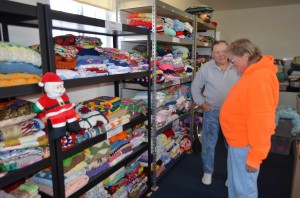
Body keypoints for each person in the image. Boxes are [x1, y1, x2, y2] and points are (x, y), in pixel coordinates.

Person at [220, 38, 279, 197]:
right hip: (240, 141)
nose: (231, 65)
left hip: (246, 144)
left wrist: (255, 156)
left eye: (232, 60)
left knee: (244, 189)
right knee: (236, 184)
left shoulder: (259, 77)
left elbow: (261, 120)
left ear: (245, 55)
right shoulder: (254, 74)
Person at [191, 40, 240, 185]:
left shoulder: (237, 67)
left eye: (224, 51)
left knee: (232, 145)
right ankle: (207, 172)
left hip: (233, 113)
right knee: (208, 143)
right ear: (212, 54)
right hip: (212, 111)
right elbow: (195, 87)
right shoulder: (206, 68)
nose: (221, 55)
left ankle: (230, 175)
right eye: (217, 52)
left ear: (229, 51)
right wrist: (202, 103)